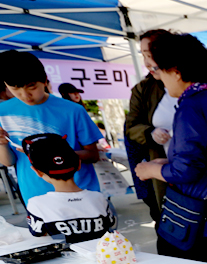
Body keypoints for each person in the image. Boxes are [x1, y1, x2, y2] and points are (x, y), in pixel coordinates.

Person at [134, 33, 207, 264]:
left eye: (160, 70)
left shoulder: (191, 106)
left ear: (176, 71)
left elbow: (187, 171)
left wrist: (151, 170)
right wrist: (165, 164)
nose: (159, 77)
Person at [0, 50, 102, 204]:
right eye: (15, 89)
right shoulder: (3, 112)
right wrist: (1, 143)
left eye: (31, 87)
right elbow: (9, 161)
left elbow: (93, 155)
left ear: (45, 80)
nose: (25, 95)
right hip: (37, 197)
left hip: (81, 193)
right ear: (6, 86)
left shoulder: (73, 110)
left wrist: (55, 155)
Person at [22, 133, 116, 243]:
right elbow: (111, 226)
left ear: (37, 171)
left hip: (65, 259)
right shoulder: (99, 198)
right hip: (103, 256)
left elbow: (38, 234)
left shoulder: (36, 204)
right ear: (79, 164)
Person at [124, 29, 173, 222]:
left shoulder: (206, 88)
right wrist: (150, 133)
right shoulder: (143, 90)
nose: (147, 62)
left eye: (151, 54)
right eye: (143, 55)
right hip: (163, 173)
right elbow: (131, 127)